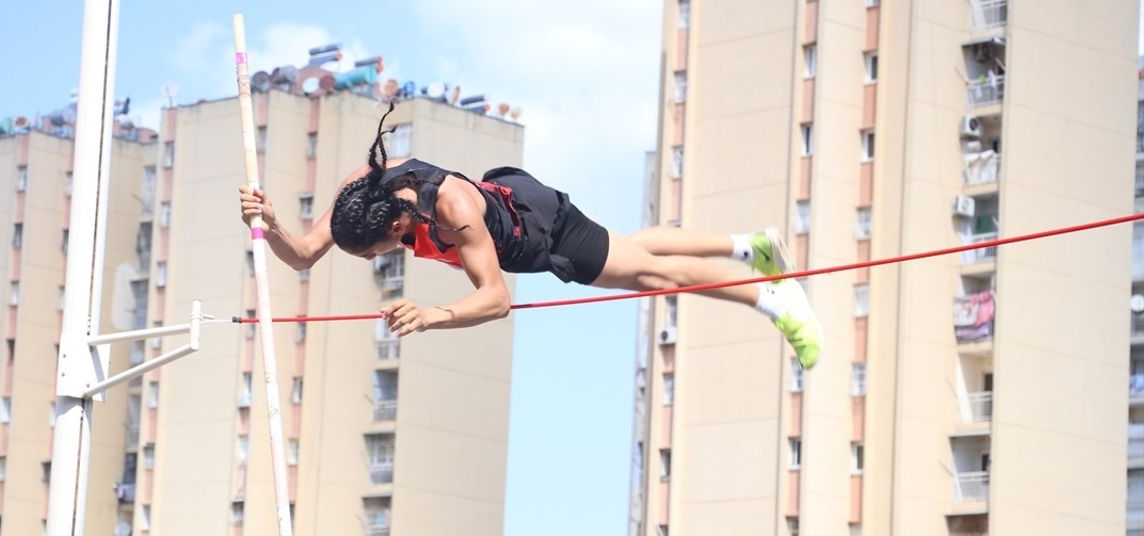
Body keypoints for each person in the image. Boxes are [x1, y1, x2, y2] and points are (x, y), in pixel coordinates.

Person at [239, 104, 823, 368]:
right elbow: (301, 259)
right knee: (634, 246)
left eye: (377, 252)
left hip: (542, 229)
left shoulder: (453, 209)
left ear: (397, 225)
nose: (378, 258)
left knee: (648, 274)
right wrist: (269, 224)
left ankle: (773, 297)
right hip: (516, 208)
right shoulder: (359, 194)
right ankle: (751, 246)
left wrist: (432, 316)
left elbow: (496, 300)